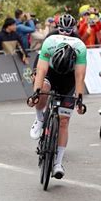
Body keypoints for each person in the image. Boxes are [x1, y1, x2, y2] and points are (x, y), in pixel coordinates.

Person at [27, 35, 87, 179]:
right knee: (44, 88)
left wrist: (79, 101)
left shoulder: (80, 49)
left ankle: (58, 163)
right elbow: (41, 72)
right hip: (51, 73)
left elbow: (79, 78)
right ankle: (40, 119)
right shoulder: (49, 43)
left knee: (64, 121)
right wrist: (36, 94)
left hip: (69, 78)